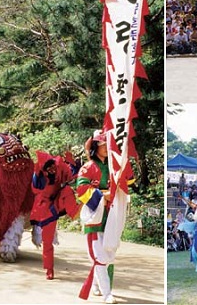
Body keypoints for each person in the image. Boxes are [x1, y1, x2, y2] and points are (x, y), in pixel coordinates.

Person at [77, 130, 131, 304]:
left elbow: (129, 181)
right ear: (95, 147)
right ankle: (107, 292)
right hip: (96, 216)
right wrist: (102, 195)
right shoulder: (87, 167)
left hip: (112, 215)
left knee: (110, 253)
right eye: (102, 145)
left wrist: (125, 166)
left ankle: (97, 286)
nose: (106, 148)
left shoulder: (113, 166)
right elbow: (82, 191)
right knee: (99, 255)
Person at [30, 150, 80, 280]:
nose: (52, 169)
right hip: (44, 208)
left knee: (68, 190)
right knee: (47, 240)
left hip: (58, 201)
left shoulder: (59, 168)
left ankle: (74, 212)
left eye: (53, 166)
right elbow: (35, 187)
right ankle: (49, 269)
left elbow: (72, 176)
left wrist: (72, 162)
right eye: (49, 168)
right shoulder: (38, 177)